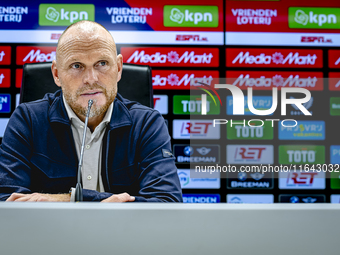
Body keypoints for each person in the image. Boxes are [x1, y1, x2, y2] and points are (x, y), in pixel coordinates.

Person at [0, 21, 182, 202]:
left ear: (118, 68)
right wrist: (107, 203)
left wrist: (69, 199)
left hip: (123, 232)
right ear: (56, 74)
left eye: (102, 63)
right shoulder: (27, 120)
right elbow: (7, 202)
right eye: (76, 66)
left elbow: (167, 203)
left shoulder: (147, 123)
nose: (90, 79)